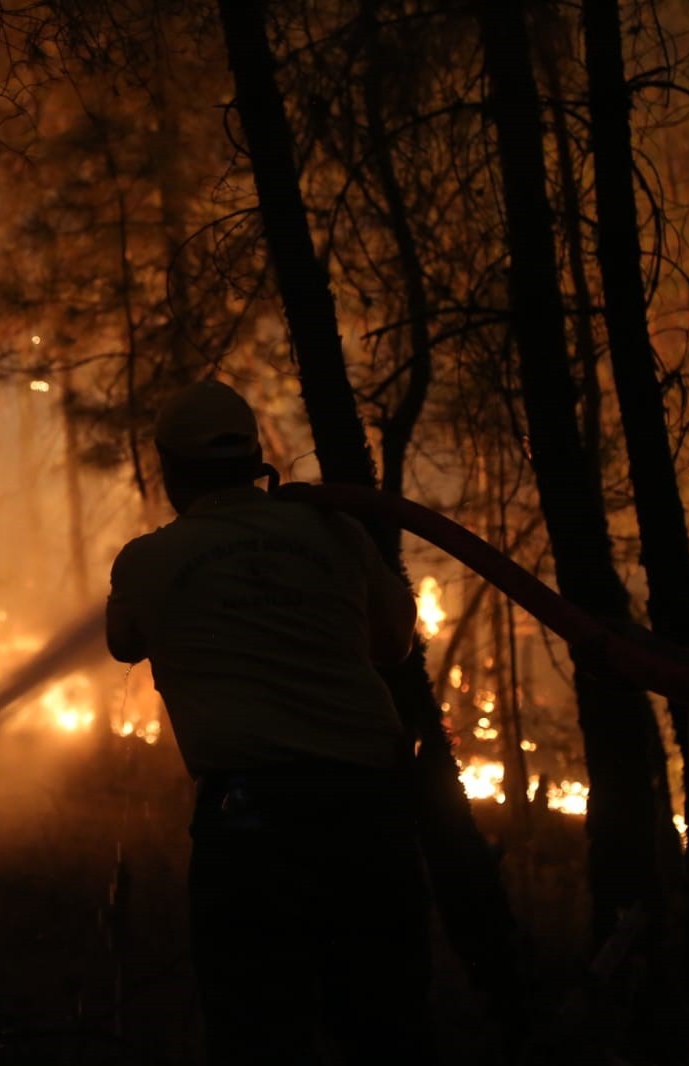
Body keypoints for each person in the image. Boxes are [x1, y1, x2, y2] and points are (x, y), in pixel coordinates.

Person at [105, 380, 433, 1065]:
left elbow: (124, 640)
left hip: (250, 824)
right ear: (256, 457)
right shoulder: (334, 531)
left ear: (170, 470)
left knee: (257, 1032)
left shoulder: (148, 561)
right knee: (384, 1027)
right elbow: (394, 643)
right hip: (369, 813)